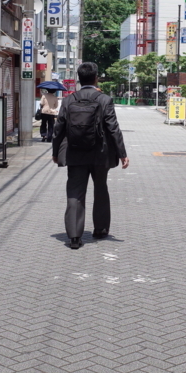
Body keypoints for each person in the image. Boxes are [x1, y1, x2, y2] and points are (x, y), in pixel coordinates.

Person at [52, 62, 129, 249]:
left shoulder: (69, 100)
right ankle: (101, 229)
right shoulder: (104, 99)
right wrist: (122, 154)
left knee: (75, 192)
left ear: (79, 78)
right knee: (100, 189)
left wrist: (55, 152)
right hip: (100, 154)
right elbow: (113, 129)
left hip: (75, 153)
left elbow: (58, 129)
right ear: (96, 78)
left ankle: (74, 236)